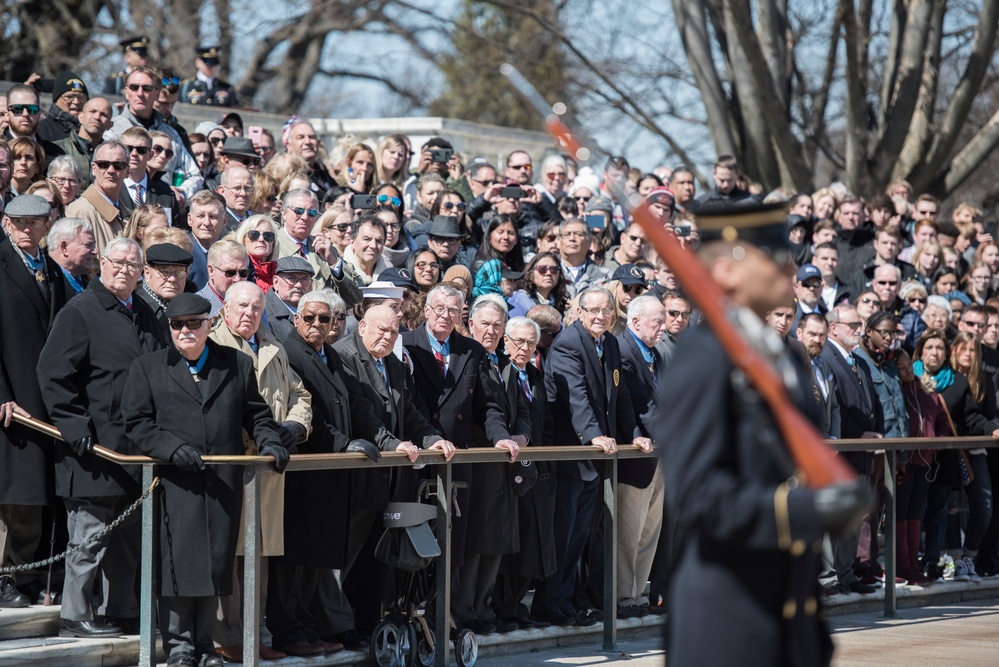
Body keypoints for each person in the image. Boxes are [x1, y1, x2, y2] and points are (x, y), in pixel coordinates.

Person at [661, 203, 869, 665]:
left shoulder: (789, 357)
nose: (789, 266)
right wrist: (796, 510)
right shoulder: (703, 358)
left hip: (791, 614)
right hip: (728, 621)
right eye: (771, 255)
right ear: (724, 270)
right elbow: (695, 492)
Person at [121, 293, 286, 667]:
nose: (185, 331)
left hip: (222, 483)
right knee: (177, 565)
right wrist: (169, 447)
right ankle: (179, 647)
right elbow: (135, 423)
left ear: (209, 323)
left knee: (215, 564)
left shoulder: (238, 364)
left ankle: (205, 646)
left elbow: (256, 415)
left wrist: (271, 441)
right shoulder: (147, 367)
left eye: (193, 323)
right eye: (177, 325)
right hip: (174, 484)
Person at [37, 237, 165, 638]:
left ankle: (120, 610)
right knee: (89, 538)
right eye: (118, 262)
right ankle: (75, 615)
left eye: (133, 264)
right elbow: (53, 374)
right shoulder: (81, 311)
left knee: (127, 538)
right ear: (102, 264)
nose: (125, 269)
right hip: (93, 448)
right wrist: (76, 428)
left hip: (136, 448)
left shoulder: (145, 312)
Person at [271, 291, 404, 656]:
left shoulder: (327, 353)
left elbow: (356, 404)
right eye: (310, 318)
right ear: (296, 319)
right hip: (306, 470)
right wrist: (346, 443)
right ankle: (288, 630)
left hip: (331, 475)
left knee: (315, 555)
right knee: (294, 557)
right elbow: (311, 415)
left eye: (325, 319)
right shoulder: (290, 351)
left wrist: (385, 442)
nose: (318, 325)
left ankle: (306, 626)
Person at [333, 304, 454, 638]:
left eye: (393, 331)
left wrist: (432, 438)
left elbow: (410, 411)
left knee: (377, 557)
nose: (387, 337)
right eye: (381, 330)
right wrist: (392, 444)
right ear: (361, 328)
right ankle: (337, 627)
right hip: (359, 474)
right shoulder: (343, 357)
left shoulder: (394, 364)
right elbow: (361, 413)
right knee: (349, 555)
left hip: (389, 478)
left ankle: (368, 625)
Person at [402, 285, 519, 625]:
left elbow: (489, 406)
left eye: (453, 311)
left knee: (453, 541)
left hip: (457, 463)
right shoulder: (406, 344)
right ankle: (407, 611)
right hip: (416, 458)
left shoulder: (471, 351)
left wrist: (500, 438)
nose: (445, 316)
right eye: (439, 308)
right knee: (412, 539)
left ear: (461, 316)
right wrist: (428, 437)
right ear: (426, 310)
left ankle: (444, 613)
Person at [533, 286, 649, 627]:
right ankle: (547, 603)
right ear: (580, 312)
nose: (601, 316)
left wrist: (635, 434)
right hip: (574, 451)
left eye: (606, 310)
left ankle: (567, 601)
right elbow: (576, 396)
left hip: (599, 457)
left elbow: (620, 395)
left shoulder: (610, 343)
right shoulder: (569, 343)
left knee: (583, 534)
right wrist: (593, 435)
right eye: (594, 310)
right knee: (564, 534)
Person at [208, 282, 311, 663]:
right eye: (242, 306)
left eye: (256, 306)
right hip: (232, 463)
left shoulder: (271, 344)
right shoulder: (214, 343)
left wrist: (294, 428)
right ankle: (226, 636)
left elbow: (301, 395)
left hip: (270, 467)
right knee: (229, 553)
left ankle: (252, 635)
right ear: (226, 307)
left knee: (260, 556)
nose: (249, 313)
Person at [0, 195, 69, 607]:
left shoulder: (54, 271)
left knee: (35, 494)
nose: (28, 230)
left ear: (47, 226)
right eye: (20, 223)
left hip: (46, 402)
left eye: (36, 223)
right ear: (6, 224)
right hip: (12, 402)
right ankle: (3, 577)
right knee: (13, 495)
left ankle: (23, 576)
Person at [457, 297, 530, 635]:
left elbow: (523, 409)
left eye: (497, 325)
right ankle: (464, 608)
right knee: (475, 538)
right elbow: (481, 412)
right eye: (484, 323)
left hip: (506, 459)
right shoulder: (466, 357)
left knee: (498, 538)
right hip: (477, 458)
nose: (490, 330)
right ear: (470, 323)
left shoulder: (505, 362)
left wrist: (523, 437)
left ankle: (484, 606)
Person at [615, 296, 665, 617]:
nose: (663, 327)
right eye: (657, 321)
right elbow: (642, 406)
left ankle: (636, 595)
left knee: (649, 531)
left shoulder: (655, 353)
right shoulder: (623, 352)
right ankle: (621, 598)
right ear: (635, 322)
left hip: (661, 455)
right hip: (636, 455)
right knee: (628, 533)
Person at [105, 67, 203, 205]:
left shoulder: (171, 134)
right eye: (134, 87)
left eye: (147, 88)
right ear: (126, 92)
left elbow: (195, 175)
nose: (140, 93)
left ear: (157, 93)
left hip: (163, 208)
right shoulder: (111, 129)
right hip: (122, 207)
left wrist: (180, 193)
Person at [273, 188, 361, 306]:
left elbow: (356, 298)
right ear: (284, 213)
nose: (305, 217)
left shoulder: (326, 248)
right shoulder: (271, 244)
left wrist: (334, 262)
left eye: (312, 213)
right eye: (298, 211)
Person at [64, 139, 128, 255]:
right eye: (103, 164)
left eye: (118, 165)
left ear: (127, 171)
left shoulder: (129, 212)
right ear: (94, 169)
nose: (111, 170)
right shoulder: (80, 211)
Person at [118, 126, 176, 220]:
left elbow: (174, 230)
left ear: (150, 155)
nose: (134, 153)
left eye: (141, 150)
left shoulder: (167, 194)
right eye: (128, 148)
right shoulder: (109, 187)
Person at [138, 243, 193, 331]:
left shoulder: (191, 307)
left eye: (179, 272)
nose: (172, 279)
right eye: (164, 272)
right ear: (147, 273)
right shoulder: (136, 309)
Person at [265, 256, 315, 341]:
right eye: (291, 278)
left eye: (305, 279)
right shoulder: (264, 313)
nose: (299, 285)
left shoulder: (316, 311)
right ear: (276, 282)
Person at [196, 240, 249, 318]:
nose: (237, 279)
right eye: (230, 272)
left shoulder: (254, 305)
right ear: (211, 271)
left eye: (243, 272)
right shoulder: (197, 307)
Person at [186, 190, 227, 289]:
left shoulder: (232, 253)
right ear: (190, 220)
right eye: (201, 216)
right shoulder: (182, 251)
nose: (207, 222)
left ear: (224, 221)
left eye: (213, 217)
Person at [558, 218, 609, 298]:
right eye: (567, 234)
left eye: (578, 234)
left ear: (589, 242)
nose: (572, 239)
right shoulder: (547, 273)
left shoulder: (606, 277)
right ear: (558, 241)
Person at [47, 216, 97, 296]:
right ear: (64, 247)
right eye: (88, 245)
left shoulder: (88, 284)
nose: (95, 251)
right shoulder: (48, 286)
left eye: (94, 245)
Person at [282, 121, 335, 194]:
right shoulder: (285, 174)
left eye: (312, 137)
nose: (307, 142)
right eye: (300, 137)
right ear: (288, 145)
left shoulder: (322, 171)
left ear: (318, 143)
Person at [36, 71, 88, 143]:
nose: (76, 102)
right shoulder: (41, 130)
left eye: (81, 97)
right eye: (69, 97)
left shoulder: (91, 129)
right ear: (56, 100)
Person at [216, 164, 254, 234]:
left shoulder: (256, 222)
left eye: (247, 188)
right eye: (237, 188)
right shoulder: (217, 223)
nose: (243, 193)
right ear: (222, 191)